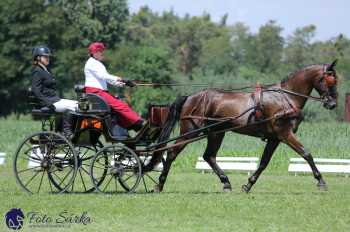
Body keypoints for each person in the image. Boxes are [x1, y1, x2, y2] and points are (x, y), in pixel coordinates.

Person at [84, 42, 144, 131]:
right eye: (101, 51)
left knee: (118, 109)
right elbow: (104, 76)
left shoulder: (97, 63)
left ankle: (130, 126)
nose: (102, 53)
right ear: (95, 53)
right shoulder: (92, 63)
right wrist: (121, 79)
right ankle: (138, 122)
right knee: (120, 105)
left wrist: (125, 84)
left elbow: (108, 79)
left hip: (99, 92)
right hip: (95, 92)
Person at [31, 45, 77, 139]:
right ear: (38, 58)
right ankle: (66, 132)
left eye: (48, 56)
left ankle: (65, 130)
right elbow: (36, 91)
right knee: (75, 106)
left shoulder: (45, 70)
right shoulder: (37, 71)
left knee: (77, 104)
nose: (48, 58)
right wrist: (47, 103)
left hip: (55, 100)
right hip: (49, 102)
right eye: (45, 56)